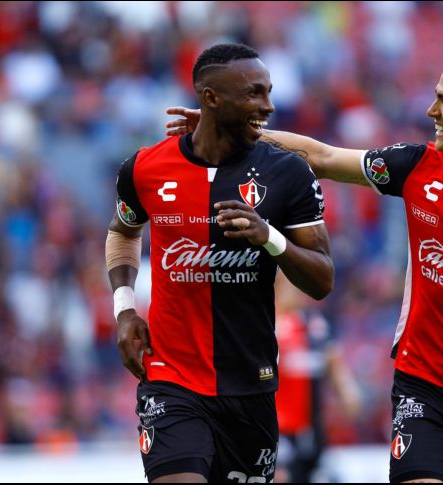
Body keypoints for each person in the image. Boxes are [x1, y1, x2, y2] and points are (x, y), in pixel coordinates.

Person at [166, 43, 443, 483]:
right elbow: (322, 157)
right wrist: (230, 128)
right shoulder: (416, 166)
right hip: (422, 387)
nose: (430, 111)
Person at [105, 43, 334, 483]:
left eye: (268, 92)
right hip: (171, 380)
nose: (267, 105)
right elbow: (123, 231)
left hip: (251, 384)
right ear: (211, 99)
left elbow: (323, 279)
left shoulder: (288, 174)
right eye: (253, 94)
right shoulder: (145, 168)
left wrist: (270, 238)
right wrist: (124, 308)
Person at [273, 272, 361, 483]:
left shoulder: (315, 325)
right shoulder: (269, 323)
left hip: (311, 429)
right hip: (277, 429)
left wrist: (347, 392)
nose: (297, 291)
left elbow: (333, 363)